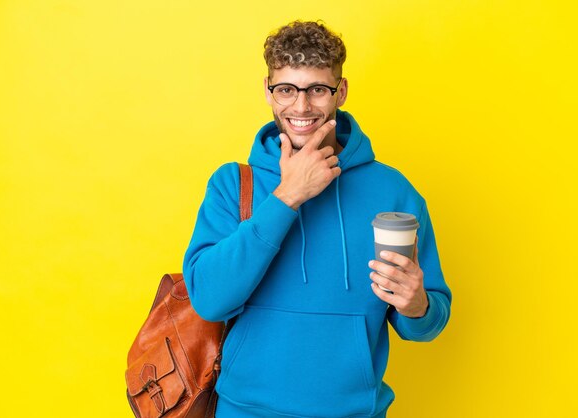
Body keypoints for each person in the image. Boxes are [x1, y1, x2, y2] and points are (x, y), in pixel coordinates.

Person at [183, 20, 452, 418]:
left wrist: (419, 306)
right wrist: (286, 197)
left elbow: (429, 320)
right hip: (244, 411)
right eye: (287, 89)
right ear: (268, 91)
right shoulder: (233, 185)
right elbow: (209, 300)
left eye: (318, 90)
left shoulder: (393, 191)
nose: (302, 107)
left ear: (340, 91)